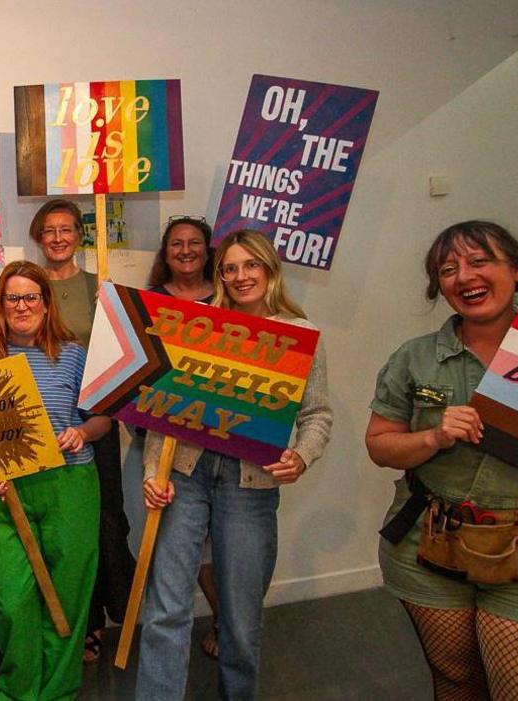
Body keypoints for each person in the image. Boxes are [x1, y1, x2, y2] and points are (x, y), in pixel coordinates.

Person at [366, 221, 518, 700]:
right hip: (428, 546)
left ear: (517, 270)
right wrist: (432, 436)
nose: (463, 276)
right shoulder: (415, 359)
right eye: (448, 269)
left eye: (479, 261)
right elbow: (380, 445)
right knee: (455, 681)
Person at [137, 229, 332, 700]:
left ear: (269, 270)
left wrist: (302, 456)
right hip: (185, 477)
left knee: (241, 616)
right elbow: (165, 407)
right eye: (231, 267)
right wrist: (151, 473)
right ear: (219, 274)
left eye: (251, 266)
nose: (241, 276)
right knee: (166, 607)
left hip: (252, 483)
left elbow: (318, 414)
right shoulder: (200, 325)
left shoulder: (299, 335)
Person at [0, 260, 111, 700]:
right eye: (13, 297)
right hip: (4, 490)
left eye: (32, 296)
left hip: (69, 483)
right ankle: (17, 689)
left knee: (67, 593)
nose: (23, 305)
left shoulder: (72, 353)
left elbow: (102, 418)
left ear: (47, 305)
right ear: (1, 305)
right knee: (12, 599)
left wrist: (82, 431)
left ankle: (57, 690)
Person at [28, 199, 133, 663]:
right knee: (58, 528)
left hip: (93, 421)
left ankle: (114, 614)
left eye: (66, 229)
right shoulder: (26, 288)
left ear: (79, 235)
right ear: (38, 235)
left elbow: (124, 355)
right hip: (41, 422)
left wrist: (113, 308)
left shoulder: (99, 287)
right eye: (48, 230)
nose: (57, 238)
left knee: (105, 521)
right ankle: (73, 619)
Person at [145, 215, 221, 659]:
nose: (186, 250)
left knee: (225, 550)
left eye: (195, 242)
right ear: (165, 251)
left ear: (209, 250)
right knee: (178, 545)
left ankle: (226, 622)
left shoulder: (228, 299)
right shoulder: (149, 301)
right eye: (177, 243)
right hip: (168, 442)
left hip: (224, 442)